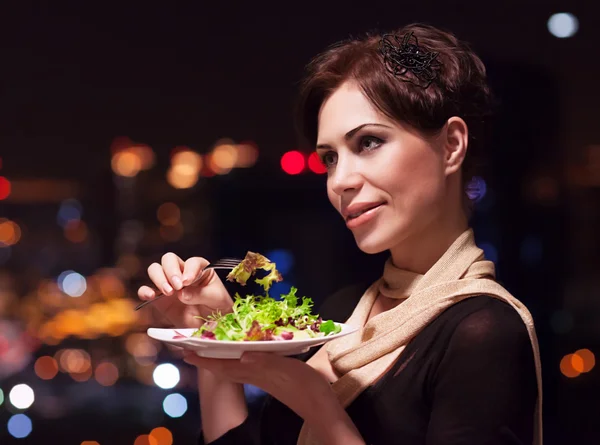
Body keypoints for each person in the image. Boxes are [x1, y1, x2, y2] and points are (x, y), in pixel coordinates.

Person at [137, 23, 542, 445]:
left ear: (451, 145)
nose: (340, 180)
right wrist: (214, 329)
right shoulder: (344, 312)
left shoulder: (484, 331)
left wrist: (322, 410)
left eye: (368, 142)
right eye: (329, 158)